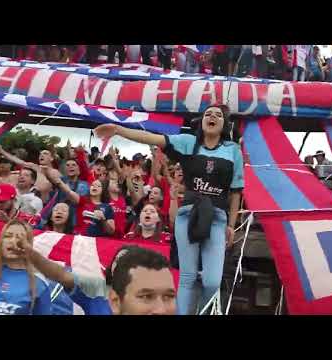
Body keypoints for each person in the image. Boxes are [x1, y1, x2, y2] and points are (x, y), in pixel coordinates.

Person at [94, 103, 244, 315]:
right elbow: (153, 138)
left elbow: (236, 191)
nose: (212, 117)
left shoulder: (233, 151)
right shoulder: (188, 142)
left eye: (218, 115)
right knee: (187, 277)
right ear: (201, 121)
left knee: (212, 281)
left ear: (224, 124)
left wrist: (232, 225)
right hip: (187, 215)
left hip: (217, 217)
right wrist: (119, 130)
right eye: (207, 114)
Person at [16, 242, 176, 315]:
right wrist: (33, 255)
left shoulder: (160, 300)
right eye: (119, 261)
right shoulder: (96, 286)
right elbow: (60, 274)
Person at [46, 171, 115, 237]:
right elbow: (69, 192)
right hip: (78, 239)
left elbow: (111, 231)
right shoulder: (82, 200)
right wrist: (59, 182)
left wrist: (103, 220)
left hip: (96, 242)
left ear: (103, 190)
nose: (94, 187)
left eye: (98, 186)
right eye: (92, 185)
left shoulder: (107, 207)